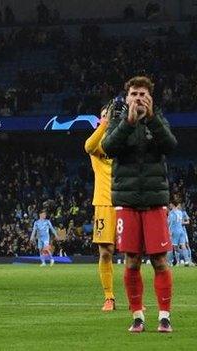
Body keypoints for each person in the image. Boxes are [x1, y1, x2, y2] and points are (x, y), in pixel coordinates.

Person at [102, 76, 177, 333]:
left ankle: (164, 317)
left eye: (142, 94)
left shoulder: (159, 119)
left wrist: (152, 118)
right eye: (133, 94)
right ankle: (137, 316)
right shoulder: (118, 120)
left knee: (159, 260)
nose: (138, 98)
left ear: (150, 97)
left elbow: (170, 145)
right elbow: (108, 147)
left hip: (155, 199)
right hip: (127, 200)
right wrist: (128, 122)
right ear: (127, 97)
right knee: (132, 261)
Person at [84, 104, 117, 311]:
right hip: (104, 202)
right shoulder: (97, 144)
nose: (109, 118)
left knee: (133, 253)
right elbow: (88, 146)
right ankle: (109, 297)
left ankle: (135, 298)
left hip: (126, 200)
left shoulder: (126, 140)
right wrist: (105, 121)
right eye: (105, 115)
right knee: (105, 252)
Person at [167, 201, 189, 266]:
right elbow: (181, 221)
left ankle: (169, 262)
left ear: (173, 205)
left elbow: (170, 223)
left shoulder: (171, 213)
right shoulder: (180, 212)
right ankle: (187, 261)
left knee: (170, 247)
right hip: (181, 231)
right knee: (182, 246)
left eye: (170, 204)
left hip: (174, 231)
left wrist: (169, 231)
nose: (169, 205)